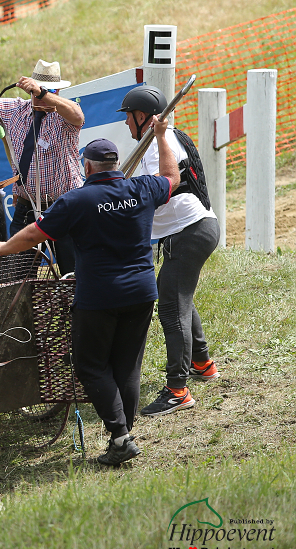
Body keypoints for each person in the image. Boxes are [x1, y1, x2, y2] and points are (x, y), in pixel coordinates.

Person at [0, 124, 179, 466]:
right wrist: (163, 135)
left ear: (87, 167)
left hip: (99, 297)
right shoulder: (142, 188)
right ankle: (122, 437)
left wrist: (4, 248)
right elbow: (171, 176)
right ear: (116, 163)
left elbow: (35, 232)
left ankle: (121, 436)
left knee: (90, 366)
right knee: (127, 368)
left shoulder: (77, 200)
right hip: (141, 291)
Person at [118, 85, 221, 417]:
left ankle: (178, 389)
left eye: (128, 118)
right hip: (193, 229)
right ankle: (202, 363)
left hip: (189, 231)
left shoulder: (158, 144)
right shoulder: (157, 141)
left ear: (143, 117)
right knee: (178, 297)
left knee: (172, 308)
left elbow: (168, 181)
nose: (125, 124)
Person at [0, 57, 84, 276]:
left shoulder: (64, 117)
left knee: (75, 274)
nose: (39, 97)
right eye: (35, 91)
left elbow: (77, 114)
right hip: (26, 207)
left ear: (55, 93)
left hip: (64, 206)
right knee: (18, 277)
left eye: (48, 92)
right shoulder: (15, 110)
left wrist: (42, 93)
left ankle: (76, 310)